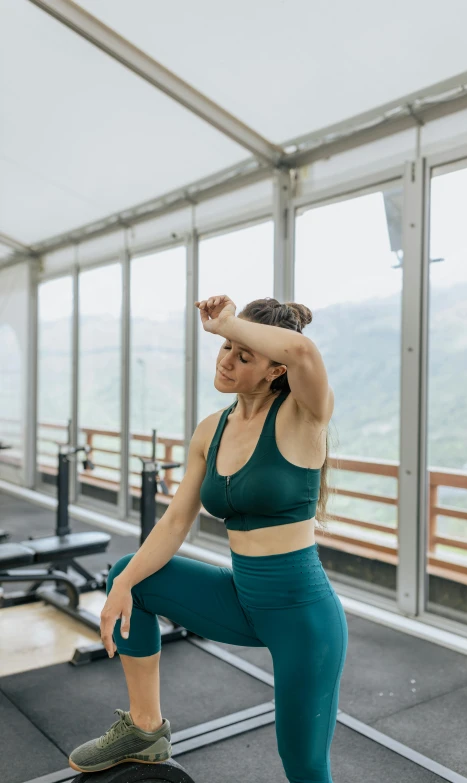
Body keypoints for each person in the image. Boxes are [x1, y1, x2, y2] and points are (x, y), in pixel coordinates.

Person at [69, 295, 348, 782]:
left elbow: (304, 355)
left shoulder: (304, 416)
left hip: (301, 615)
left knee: (303, 763)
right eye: (224, 348)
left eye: (244, 355)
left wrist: (229, 321)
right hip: (241, 599)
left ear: (275, 370)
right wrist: (120, 586)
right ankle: (144, 729)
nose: (226, 361)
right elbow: (176, 521)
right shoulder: (210, 430)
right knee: (129, 577)